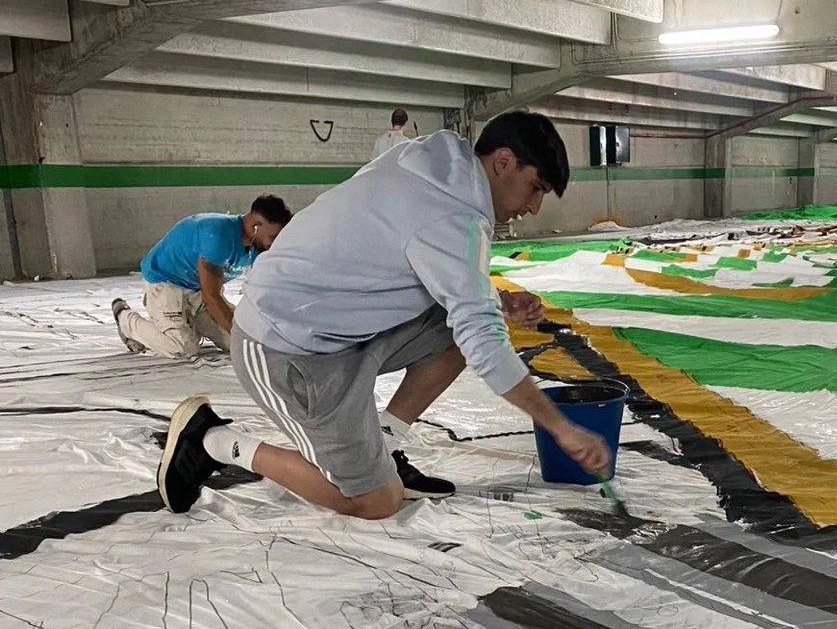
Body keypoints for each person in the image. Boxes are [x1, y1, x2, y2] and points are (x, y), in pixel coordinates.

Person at [156, 111, 612, 519]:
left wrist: (487, 296)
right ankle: (213, 441)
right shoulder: (454, 217)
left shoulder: (434, 160)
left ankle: (385, 443)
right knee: (375, 501)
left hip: (337, 329)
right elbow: (485, 342)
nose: (533, 208)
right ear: (504, 162)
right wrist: (561, 429)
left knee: (461, 326)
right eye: (536, 189)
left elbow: (409, 248)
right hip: (286, 348)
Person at [112, 195, 292, 359]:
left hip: (197, 288)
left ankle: (190, 323)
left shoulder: (257, 246)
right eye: (273, 237)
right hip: (166, 283)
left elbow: (268, 289)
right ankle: (125, 319)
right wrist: (243, 336)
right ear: (256, 227)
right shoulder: (217, 234)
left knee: (238, 344)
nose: (275, 243)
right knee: (183, 347)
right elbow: (212, 297)